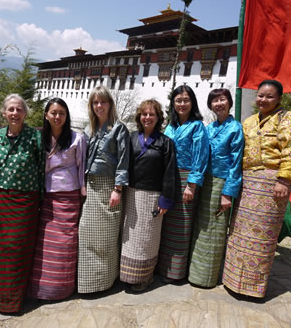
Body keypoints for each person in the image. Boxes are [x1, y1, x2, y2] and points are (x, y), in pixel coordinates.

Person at [223, 79, 291, 298]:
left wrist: (285, 180)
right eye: (260, 95)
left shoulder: (289, 120)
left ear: (279, 98)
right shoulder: (249, 122)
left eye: (269, 96)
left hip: (271, 185)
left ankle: (252, 288)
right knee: (239, 234)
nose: (263, 100)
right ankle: (233, 281)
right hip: (247, 184)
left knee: (262, 238)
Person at [0, 94, 44, 320]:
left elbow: (42, 167)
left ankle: (13, 300)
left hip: (27, 202)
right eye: (10, 109)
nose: (15, 113)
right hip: (1, 199)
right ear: (3, 113)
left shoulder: (35, 136)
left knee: (19, 251)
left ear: (25, 113)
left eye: (19, 109)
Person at [29, 98, 86, 300]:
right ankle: (42, 288)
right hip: (46, 196)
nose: (57, 117)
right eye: (53, 112)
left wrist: (82, 191)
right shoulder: (38, 137)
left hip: (68, 196)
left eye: (61, 113)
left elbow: (81, 166)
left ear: (66, 116)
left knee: (66, 241)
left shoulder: (76, 138)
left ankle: (62, 288)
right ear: (46, 115)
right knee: (45, 242)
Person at [188, 89, 244, 288]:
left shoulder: (235, 128)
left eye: (222, 99)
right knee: (201, 228)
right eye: (214, 100)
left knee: (215, 230)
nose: (218, 103)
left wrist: (228, 193)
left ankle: (207, 277)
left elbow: (236, 163)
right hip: (205, 182)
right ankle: (194, 273)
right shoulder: (209, 128)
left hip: (221, 183)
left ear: (229, 102)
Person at [120, 99, 178, 292]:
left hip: (153, 197)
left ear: (158, 118)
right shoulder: (131, 137)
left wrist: (165, 199)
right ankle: (128, 275)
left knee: (148, 239)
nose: (147, 117)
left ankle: (145, 277)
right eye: (144, 114)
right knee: (130, 238)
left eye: (152, 114)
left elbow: (170, 173)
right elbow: (123, 165)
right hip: (132, 196)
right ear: (139, 117)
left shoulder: (165, 142)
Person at [78, 86, 130, 294]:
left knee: (106, 239)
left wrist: (117, 188)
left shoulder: (119, 129)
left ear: (110, 104)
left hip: (109, 187)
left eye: (103, 102)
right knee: (87, 235)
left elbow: (124, 161)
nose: (99, 106)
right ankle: (86, 283)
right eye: (95, 103)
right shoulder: (88, 129)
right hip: (90, 187)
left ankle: (105, 281)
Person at [159, 85, 209, 283]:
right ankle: (162, 267)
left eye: (186, 100)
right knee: (167, 223)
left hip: (186, 179)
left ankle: (176, 272)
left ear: (192, 102)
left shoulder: (198, 126)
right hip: (169, 178)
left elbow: (201, 157)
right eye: (178, 100)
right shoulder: (171, 126)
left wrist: (192, 185)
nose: (182, 104)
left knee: (183, 224)